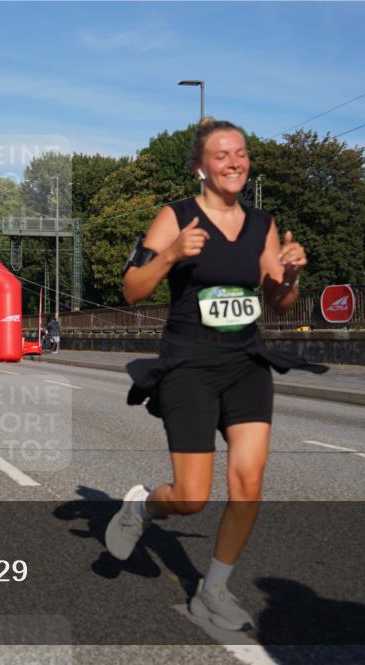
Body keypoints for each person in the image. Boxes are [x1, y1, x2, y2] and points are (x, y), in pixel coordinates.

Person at [106, 118, 326, 631]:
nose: (234, 163)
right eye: (222, 155)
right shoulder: (176, 217)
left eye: (241, 154)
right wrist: (172, 255)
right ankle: (140, 509)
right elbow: (132, 289)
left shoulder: (262, 224)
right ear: (199, 167)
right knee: (191, 497)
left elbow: (277, 300)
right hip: (189, 364)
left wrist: (290, 275)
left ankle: (214, 589)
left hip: (246, 362)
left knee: (248, 482)